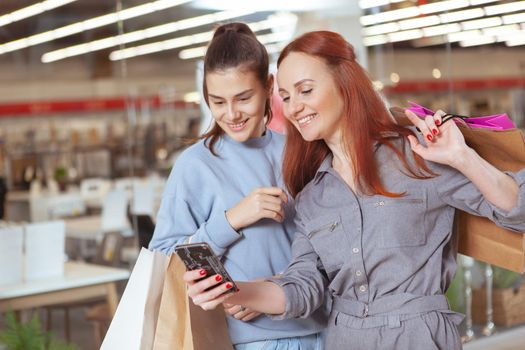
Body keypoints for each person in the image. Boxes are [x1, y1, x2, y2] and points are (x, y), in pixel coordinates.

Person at [183, 30, 525, 349]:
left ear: (345, 84)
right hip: (345, 337)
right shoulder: (313, 196)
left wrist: (464, 158)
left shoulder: (418, 155)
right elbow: (304, 288)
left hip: (418, 336)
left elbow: (517, 212)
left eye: (305, 90)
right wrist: (234, 291)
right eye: (285, 97)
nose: (293, 107)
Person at [149, 23, 327, 349]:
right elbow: (165, 260)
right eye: (217, 102)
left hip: (324, 331)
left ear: (268, 86)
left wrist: (269, 288)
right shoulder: (195, 165)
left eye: (243, 98)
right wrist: (231, 220)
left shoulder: (301, 150)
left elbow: (334, 245)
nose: (231, 114)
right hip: (251, 342)